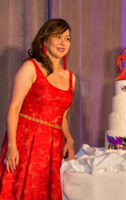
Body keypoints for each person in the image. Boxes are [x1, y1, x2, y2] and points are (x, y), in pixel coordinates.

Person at [0, 18, 76, 199]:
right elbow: (14, 108)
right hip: (27, 141)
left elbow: (62, 116)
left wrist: (69, 139)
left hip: (53, 146)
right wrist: (12, 145)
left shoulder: (71, 77)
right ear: (45, 39)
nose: (63, 42)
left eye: (67, 38)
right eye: (58, 36)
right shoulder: (30, 67)